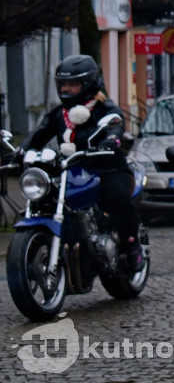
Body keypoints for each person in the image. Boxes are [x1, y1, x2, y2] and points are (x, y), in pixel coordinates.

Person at [21, 55, 144, 272]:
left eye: (73, 84)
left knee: (115, 197)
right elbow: (39, 135)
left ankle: (131, 245)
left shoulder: (105, 108)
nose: (66, 89)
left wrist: (112, 139)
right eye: (63, 84)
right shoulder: (59, 114)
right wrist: (21, 152)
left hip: (109, 169)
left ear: (88, 83)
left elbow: (115, 124)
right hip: (73, 170)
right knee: (46, 198)